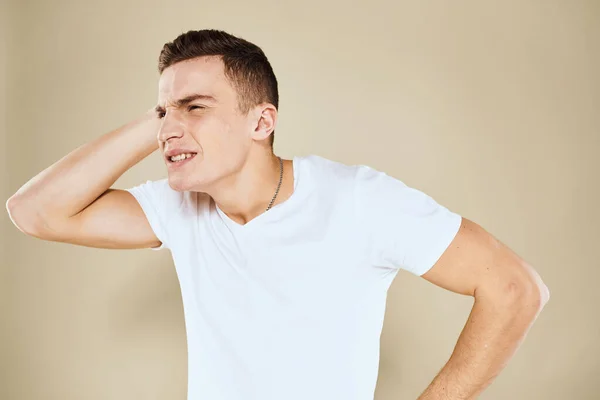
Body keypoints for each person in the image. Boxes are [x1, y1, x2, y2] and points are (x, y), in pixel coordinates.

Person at [6, 29, 549, 400]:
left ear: (262, 122)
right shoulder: (178, 207)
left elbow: (515, 289)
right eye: (162, 111)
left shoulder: (357, 199)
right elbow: (35, 212)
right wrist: (163, 119)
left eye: (197, 106)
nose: (170, 127)